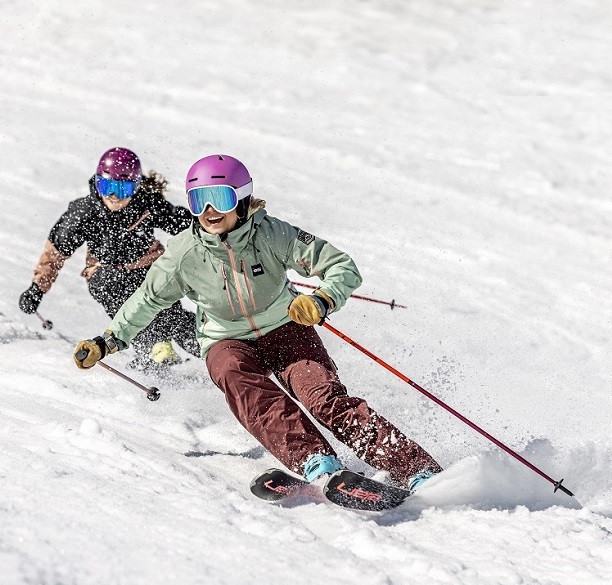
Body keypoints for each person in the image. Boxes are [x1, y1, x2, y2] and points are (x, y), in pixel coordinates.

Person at [71, 154, 441, 491]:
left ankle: (413, 467)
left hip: (286, 327)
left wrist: (322, 299)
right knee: (245, 385)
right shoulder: (185, 253)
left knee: (323, 399)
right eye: (200, 201)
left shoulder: (272, 234)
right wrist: (108, 341)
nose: (211, 211)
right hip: (225, 340)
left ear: (243, 199)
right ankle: (315, 461)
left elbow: (341, 265)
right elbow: (148, 299)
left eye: (222, 198)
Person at [19, 147, 200, 369]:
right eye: (106, 187)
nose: (112, 196)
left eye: (121, 189)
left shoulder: (146, 203)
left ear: (135, 187)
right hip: (105, 272)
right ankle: (150, 349)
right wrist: (37, 288)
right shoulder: (84, 212)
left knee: (172, 318)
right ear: (97, 183)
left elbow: (182, 224)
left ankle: (218, 351)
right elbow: (55, 252)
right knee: (122, 300)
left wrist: (214, 225)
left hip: (147, 267)